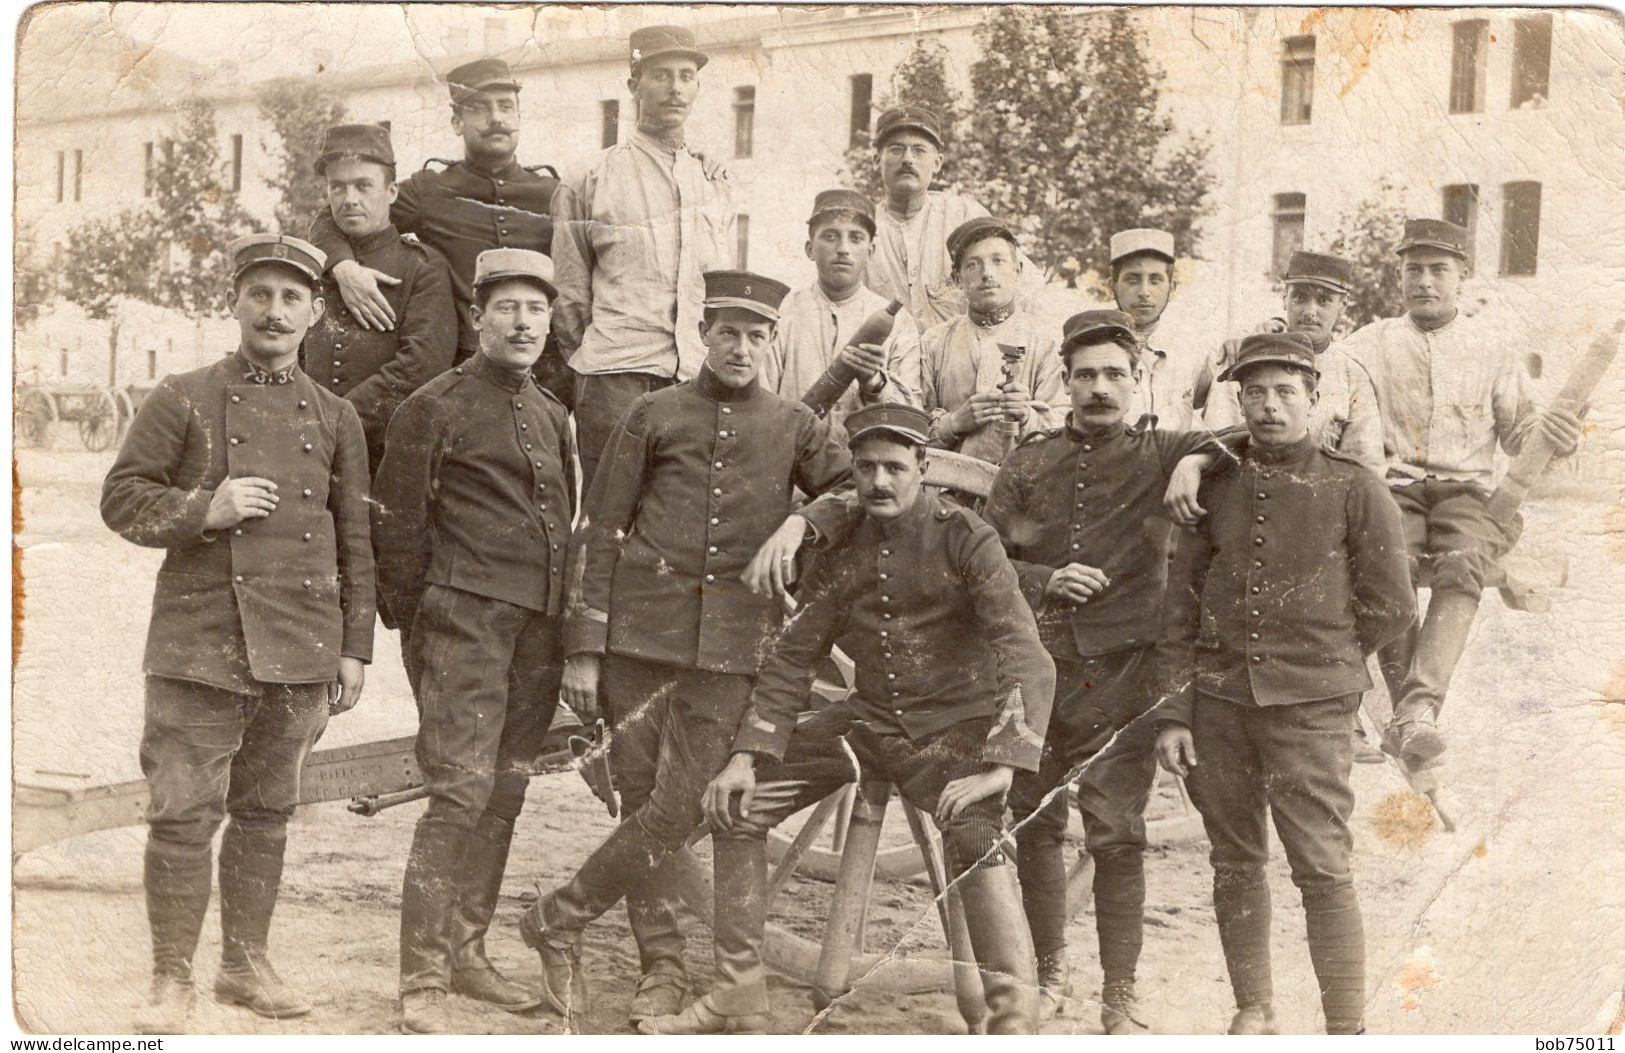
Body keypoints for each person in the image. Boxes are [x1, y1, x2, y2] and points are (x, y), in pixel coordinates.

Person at [643, 402, 1055, 1035]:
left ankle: (1014, 1023)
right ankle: (738, 996)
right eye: (865, 468)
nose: (880, 483)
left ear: (924, 467)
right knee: (738, 807)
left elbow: (1024, 652)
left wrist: (1001, 765)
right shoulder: (842, 545)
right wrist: (746, 757)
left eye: (895, 467)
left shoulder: (966, 537)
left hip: (951, 730)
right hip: (865, 725)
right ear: (853, 474)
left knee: (975, 833)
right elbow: (791, 660)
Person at [517, 270, 851, 1027]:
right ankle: (659, 969)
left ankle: (560, 915)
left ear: (771, 341)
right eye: (727, 331)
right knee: (639, 801)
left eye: (755, 335)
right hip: (639, 637)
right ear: (703, 332)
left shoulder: (794, 423)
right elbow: (598, 529)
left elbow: (859, 486)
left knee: (675, 808)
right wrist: (584, 648)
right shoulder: (652, 411)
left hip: (730, 648)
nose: (740, 347)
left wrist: (805, 522)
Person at [101, 234, 373, 1034]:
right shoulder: (182, 395)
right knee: (183, 812)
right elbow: (121, 498)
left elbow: (355, 536)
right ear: (235, 301)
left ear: (316, 313)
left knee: (266, 812)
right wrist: (202, 510)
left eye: (292, 297)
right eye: (260, 293)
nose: (275, 311)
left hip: (299, 646)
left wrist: (353, 646)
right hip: (199, 644)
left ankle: (245, 964)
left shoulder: (336, 415)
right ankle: (169, 978)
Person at [1152, 332, 1416, 1035]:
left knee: (1322, 867)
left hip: (1310, 713)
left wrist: (1327, 664)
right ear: (1238, 400)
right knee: (1233, 859)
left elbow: (1391, 603)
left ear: (1313, 399)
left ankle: (1344, 1026)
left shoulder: (1354, 485)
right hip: (1218, 706)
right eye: (1255, 392)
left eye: (1284, 392)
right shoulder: (1213, 481)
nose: (1269, 406)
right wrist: (1176, 711)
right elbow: (1177, 602)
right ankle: (1253, 1008)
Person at [984, 309, 1231, 1031]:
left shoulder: (1160, 451)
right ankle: (1050, 970)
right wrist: (1044, 578)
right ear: (1063, 380)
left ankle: (1118, 994)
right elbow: (983, 559)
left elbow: (1248, 436)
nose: (1098, 388)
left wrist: (1196, 458)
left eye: (1113, 375)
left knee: (1116, 832)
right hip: (1038, 673)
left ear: (1137, 380)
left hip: (1125, 673)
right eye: (1085, 374)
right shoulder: (1027, 461)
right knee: (1034, 823)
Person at [370, 249, 573, 1033]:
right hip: (462, 623)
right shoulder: (433, 404)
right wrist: (422, 624)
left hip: (537, 628)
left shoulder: (552, 412)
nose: (523, 323)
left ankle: (467, 950)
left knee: (506, 790)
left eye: (536, 310)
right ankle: (420, 976)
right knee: (458, 792)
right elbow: (399, 523)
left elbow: (560, 522)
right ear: (479, 316)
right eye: (508, 308)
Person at [1339, 219, 1583, 765]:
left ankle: (1415, 710)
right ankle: (1413, 716)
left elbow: (1521, 431)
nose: (1424, 281)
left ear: (1461, 277)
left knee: (1465, 558)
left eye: (1438, 270)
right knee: (1389, 561)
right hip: (1393, 489)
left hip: (1465, 492)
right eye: (1413, 270)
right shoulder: (1368, 345)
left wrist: (1556, 439)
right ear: (1399, 275)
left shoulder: (1493, 347)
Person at [306, 58, 570, 401]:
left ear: (519, 117)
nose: (496, 118)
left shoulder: (553, 194)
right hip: (461, 376)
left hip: (540, 373)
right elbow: (335, 214)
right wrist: (343, 267)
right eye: (479, 108)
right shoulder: (429, 191)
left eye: (506, 106)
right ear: (457, 122)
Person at [551, 24, 738, 488]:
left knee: (683, 521)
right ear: (634, 85)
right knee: (609, 519)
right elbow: (569, 295)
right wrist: (601, 363)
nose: (676, 89)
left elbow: (719, 286)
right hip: (616, 379)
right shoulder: (589, 177)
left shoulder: (714, 180)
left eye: (687, 76)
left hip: (694, 378)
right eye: (660, 75)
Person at [300, 122, 457, 474]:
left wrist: (333, 422)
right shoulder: (313, 268)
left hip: (385, 458)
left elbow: (421, 367)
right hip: (306, 452)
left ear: (391, 192)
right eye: (337, 187)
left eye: (363, 185)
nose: (349, 199)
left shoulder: (423, 268)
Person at [761, 188, 923, 439]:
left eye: (856, 238)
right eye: (830, 236)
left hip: (866, 470)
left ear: (870, 252)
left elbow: (912, 418)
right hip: (791, 466)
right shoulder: (782, 313)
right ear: (809, 249)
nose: (843, 249)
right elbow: (760, 399)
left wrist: (875, 384)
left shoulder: (899, 323)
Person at [1204, 250, 1383, 473]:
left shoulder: (1352, 374)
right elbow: (1218, 443)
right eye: (1299, 297)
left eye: (1324, 300)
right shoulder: (1244, 359)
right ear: (1284, 297)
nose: (1310, 311)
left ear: (1343, 304)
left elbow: (1365, 462)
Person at [865, 105, 1034, 329]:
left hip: (963, 359)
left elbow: (1027, 291)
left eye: (919, 150)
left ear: (937, 163)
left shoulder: (965, 215)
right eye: (896, 149)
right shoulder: (862, 231)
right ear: (877, 160)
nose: (908, 159)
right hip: (890, 362)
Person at [921, 216, 1066, 464]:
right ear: (957, 278)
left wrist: (1027, 416)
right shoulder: (934, 342)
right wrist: (953, 423)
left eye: (998, 261)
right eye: (973, 265)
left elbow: (1067, 426)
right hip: (945, 491)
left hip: (1024, 490)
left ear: (1017, 269)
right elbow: (909, 425)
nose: (987, 274)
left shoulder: (1047, 344)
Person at [1108, 228, 1208, 431]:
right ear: (1112, 286)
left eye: (1155, 280)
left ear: (1172, 288)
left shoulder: (1193, 353)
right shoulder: (1092, 350)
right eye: (1132, 279)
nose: (1144, 292)